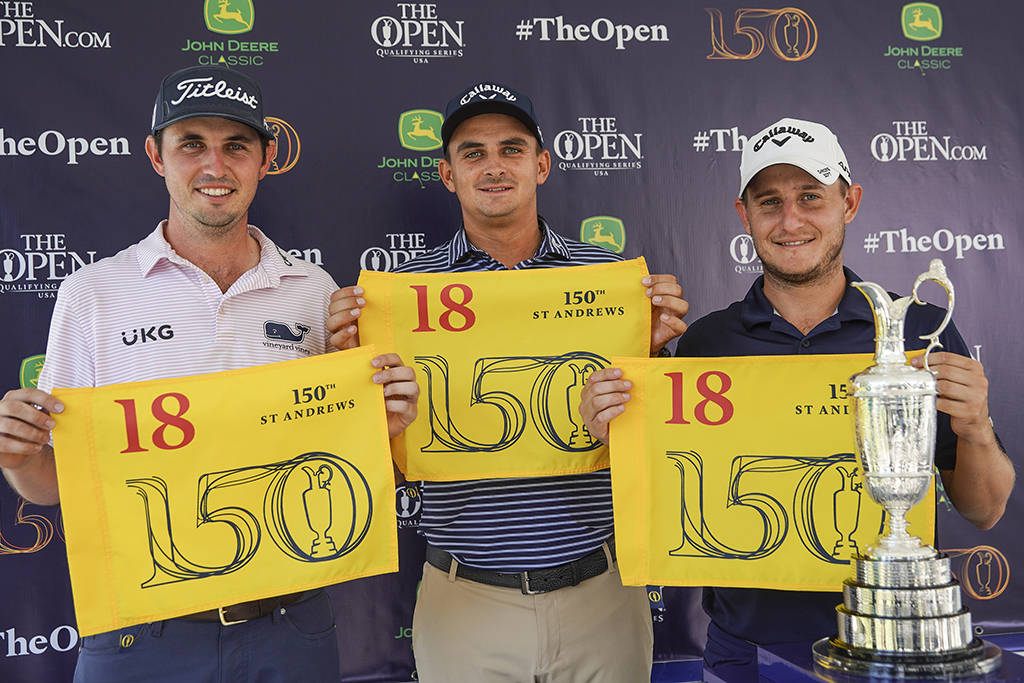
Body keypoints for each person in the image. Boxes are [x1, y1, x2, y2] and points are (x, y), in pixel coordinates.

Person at [0, 65, 419, 682]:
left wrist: (382, 423)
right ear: (155, 155)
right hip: (139, 637)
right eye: (191, 144)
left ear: (265, 159)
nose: (215, 167)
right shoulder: (93, 293)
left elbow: (334, 463)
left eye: (236, 146)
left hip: (291, 627)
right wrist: (17, 456)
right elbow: (52, 486)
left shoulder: (314, 291)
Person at [579, 117, 1015, 681]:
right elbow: (669, 495)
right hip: (745, 651)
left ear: (849, 202)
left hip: (893, 645)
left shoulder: (918, 332)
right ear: (744, 215)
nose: (791, 221)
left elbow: (985, 511)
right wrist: (617, 424)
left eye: (811, 197)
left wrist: (977, 426)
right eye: (770, 202)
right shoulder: (708, 342)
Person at [327, 81, 689, 682]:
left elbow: (659, 445)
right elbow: (371, 455)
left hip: (602, 587)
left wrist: (652, 358)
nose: (493, 167)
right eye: (473, 153)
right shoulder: (399, 296)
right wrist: (351, 376)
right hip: (465, 596)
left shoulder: (610, 280)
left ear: (541, 164)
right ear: (448, 174)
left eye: (511, 149)